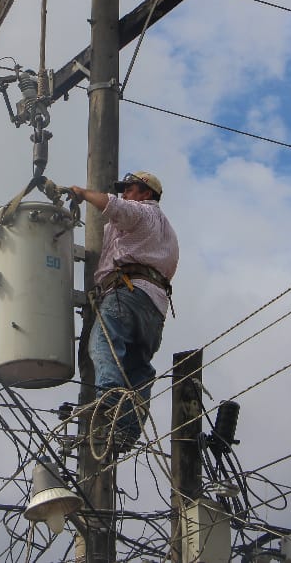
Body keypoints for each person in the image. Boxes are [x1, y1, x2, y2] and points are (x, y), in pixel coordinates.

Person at [69, 171, 179, 453]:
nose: (124, 194)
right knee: (137, 366)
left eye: (129, 189)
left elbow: (112, 205)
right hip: (154, 308)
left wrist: (81, 193)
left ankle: (109, 400)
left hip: (126, 294)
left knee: (103, 343)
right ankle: (126, 429)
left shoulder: (141, 212)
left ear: (145, 194)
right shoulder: (167, 231)